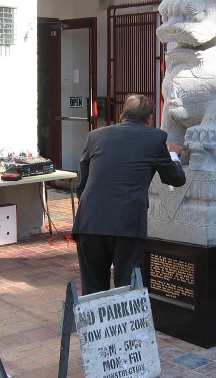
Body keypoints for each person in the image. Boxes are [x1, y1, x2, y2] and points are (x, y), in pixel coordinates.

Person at [72, 94, 186, 294]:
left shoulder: (96, 135)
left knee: (93, 289)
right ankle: (124, 326)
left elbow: (81, 184)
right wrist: (172, 154)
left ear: (122, 114)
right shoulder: (155, 138)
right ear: (150, 118)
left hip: (89, 223)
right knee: (127, 288)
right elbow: (175, 178)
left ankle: (97, 326)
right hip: (127, 224)